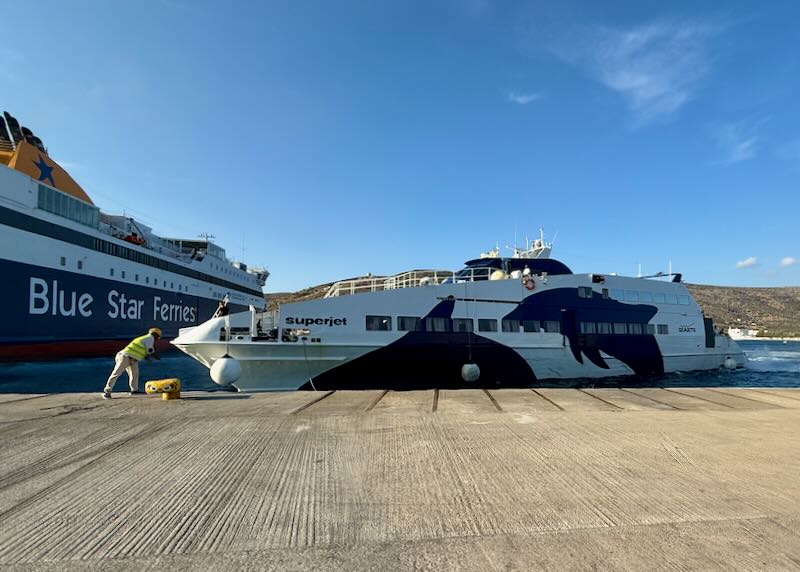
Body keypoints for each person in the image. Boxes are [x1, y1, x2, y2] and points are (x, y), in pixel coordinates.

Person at [102, 327, 162, 399]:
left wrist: (147, 357)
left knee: (134, 375)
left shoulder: (144, 338)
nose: (157, 339)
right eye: (158, 337)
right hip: (125, 357)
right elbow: (150, 350)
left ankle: (134, 390)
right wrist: (157, 357)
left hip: (133, 359)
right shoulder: (150, 338)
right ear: (155, 335)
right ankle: (107, 392)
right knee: (116, 373)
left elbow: (144, 351)